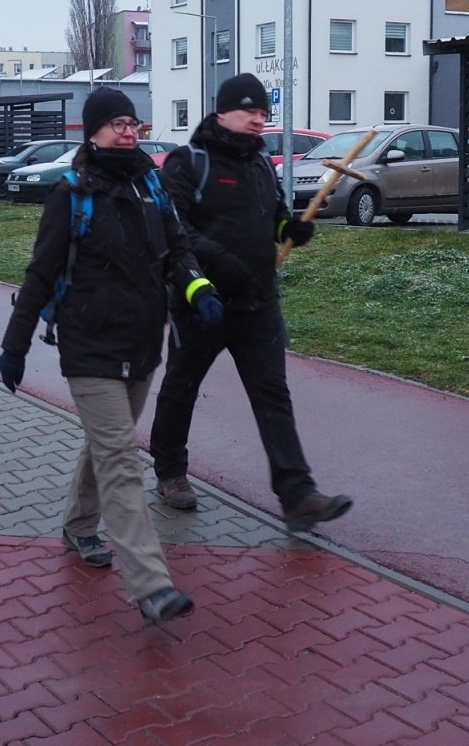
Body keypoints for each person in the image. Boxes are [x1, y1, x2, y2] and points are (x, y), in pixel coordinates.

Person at [0, 88, 225, 628]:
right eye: (117, 123)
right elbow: (40, 273)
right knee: (122, 457)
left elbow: (176, 252)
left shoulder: (151, 185)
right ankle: (151, 585)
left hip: (143, 343)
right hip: (88, 346)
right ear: (93, 131)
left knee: (108, 442)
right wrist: (15, 343)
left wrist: (198, 288)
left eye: (134, 123)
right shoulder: (71, 194)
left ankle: (79, 525)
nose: (128, 131)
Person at [149, 72, 353, 533]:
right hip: (203, 303)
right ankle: (169, 471)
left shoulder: (261, 163)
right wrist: (220, 266)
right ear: (223, 112)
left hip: (258, 303)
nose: (259, 120)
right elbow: (174, 228)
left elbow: (274, 216)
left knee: (273, 395)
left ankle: (297, 494)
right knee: (182, 386)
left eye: (264, 113)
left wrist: (290, 230)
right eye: (250, 112)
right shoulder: (188, 162)